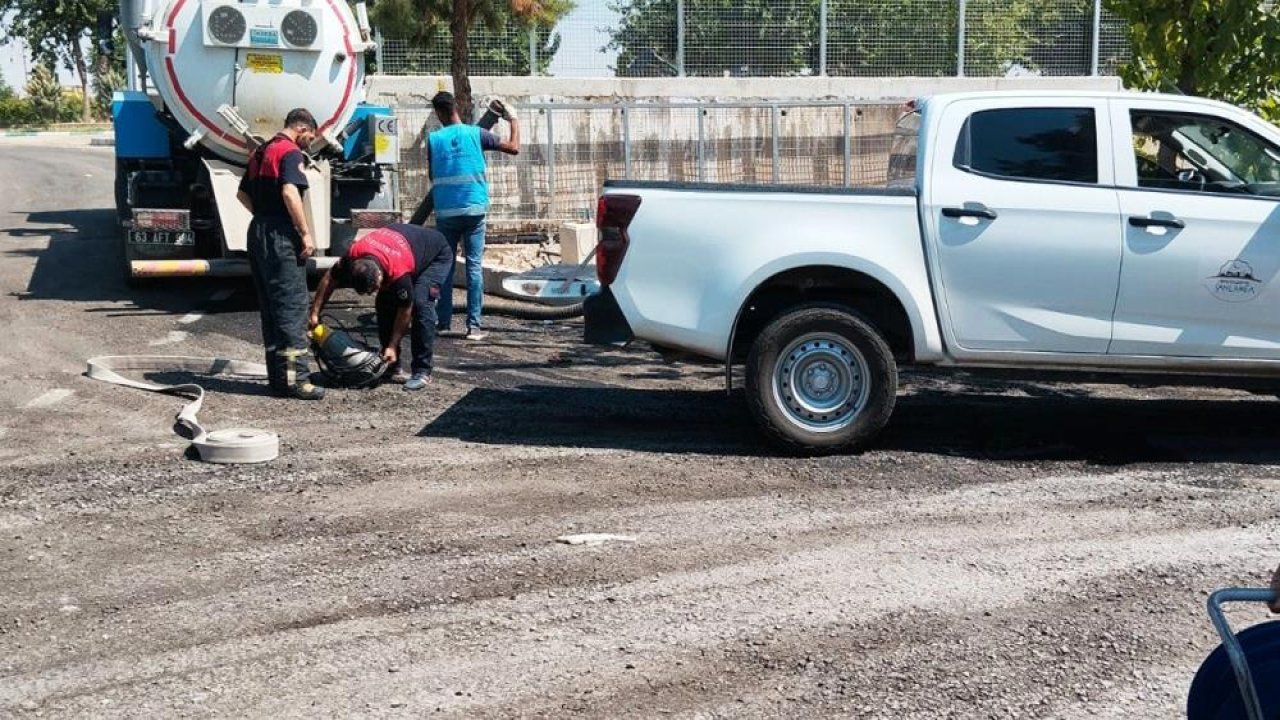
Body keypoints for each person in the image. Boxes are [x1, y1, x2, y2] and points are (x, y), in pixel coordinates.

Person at [237, 108, 324, 400]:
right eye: (310, 136)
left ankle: (277, 378)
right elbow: (290, 192)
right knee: (291, 307)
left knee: (271, 309)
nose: (310, 142)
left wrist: (264, 216)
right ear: (302, 128)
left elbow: (242, 194)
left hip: (258, 230)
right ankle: (297, 380)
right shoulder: (290, 153)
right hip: (280, 235)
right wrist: (304, 232)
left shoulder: (262, 152)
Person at [309, 223, 454, 391]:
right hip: (403, 245)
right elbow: (329, 279)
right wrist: (314, 312)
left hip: (436, 254)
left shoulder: (398, 272)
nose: (374, 292)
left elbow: (404, 310)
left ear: (379, 275)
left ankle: (422, 371)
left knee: (421, 304)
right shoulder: (352, 256)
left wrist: (392, 344)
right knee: (383, 303)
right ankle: (392, 366)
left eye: (375, 288)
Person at [426, 91, 520, 341]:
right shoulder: (476, 134)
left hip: (446, 211)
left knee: (444, 267)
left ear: (438, 113)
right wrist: (513, 119)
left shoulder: (434, 139)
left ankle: (443, 323)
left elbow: (432, 176)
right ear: (455, 107)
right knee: (474, 267)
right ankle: (474, 327)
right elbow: (513, 148)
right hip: (475, 209)